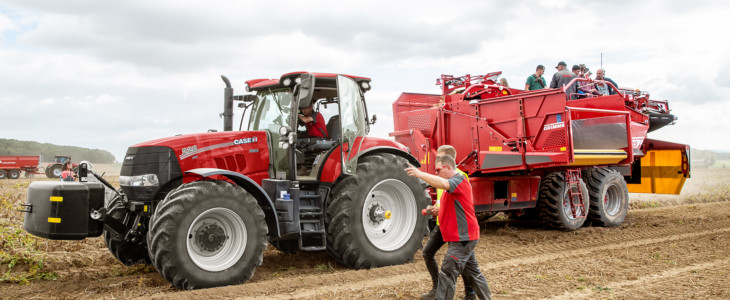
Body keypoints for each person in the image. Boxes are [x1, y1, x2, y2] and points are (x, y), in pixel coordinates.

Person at [406, 155, 492, 300]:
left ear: (448, 167)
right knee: (474, 274)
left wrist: (420, 174)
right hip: (463, 237)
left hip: (463, 237)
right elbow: (456, 206)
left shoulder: (459, 179)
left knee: (447, 272)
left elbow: (443, 183)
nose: (436, 172)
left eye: (438, 169)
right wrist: (437, 210)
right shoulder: (450, 188)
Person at [421, 146, 476, 300]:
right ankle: (436, 288)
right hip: (442, 224)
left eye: (440, 157)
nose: (436, 161)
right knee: (427, 252)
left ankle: (470, 293)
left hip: (458, 228)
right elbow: (443, 198)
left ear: (449, 160)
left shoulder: (459, 176)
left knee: (463, 262)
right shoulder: (443, 177)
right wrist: (436, 208)